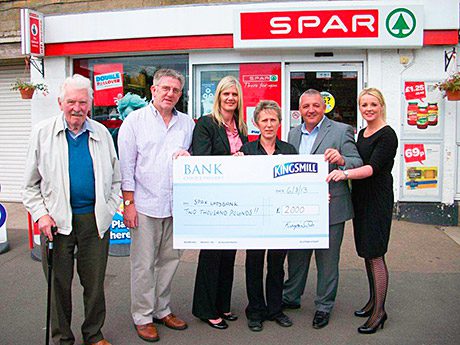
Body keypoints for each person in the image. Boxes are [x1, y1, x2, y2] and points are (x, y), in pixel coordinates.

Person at [22, 74, 121, 345]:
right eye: (71, 101)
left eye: (82, 101)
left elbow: (116, 179)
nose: (76, 107)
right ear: (60, 102)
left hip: (94, 222)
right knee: (58, 286)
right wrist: (41, 214)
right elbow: (29, 186)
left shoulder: (101, 133)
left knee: (94, 285)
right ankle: (62, 338)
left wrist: (109, 209)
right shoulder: (42, 133)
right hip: (56, 223)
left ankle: (93, 333)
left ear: (90, 103)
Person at [118, 69, 194, 342]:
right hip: (145, 204)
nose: (170, 94)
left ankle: (162, 309)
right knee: (143, 264)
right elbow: (126, 167)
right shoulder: (134, 122)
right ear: (153, 90)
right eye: (165, 88)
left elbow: (195, 161)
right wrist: (129, 204)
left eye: (175, 90)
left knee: (170, 262)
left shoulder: (187, 124)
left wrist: (189, 156)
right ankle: (142, 315)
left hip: (176, 206)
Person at [282, 89, 363, 329]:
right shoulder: (292, 133)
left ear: (323, 106)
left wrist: (341, 159)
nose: (311, 110)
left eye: (316, 105)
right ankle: (291, 297)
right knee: (297, 256)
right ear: (299, 110)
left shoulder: (341, 131)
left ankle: (324, 306)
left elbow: (357, 161)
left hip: (332, 207)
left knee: (327, 262)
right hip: (301, 207)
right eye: (306, 106)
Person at [326, 88, 398, 334]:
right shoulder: (363, 133)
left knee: (376, 253)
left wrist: (343, 173)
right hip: (361, 199)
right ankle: (372, 302)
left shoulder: (388, 135)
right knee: (367, 251)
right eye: (364, 105)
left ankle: (379, 312)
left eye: (373, 104)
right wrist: (343, 161)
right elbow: (355, 158)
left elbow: (371, 168)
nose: (368, 109)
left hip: (377, 198)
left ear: (381, 106)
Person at [191, 75, 248, 329]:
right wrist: (232, 159)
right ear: (218, 97)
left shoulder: (242, 127)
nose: (230, 98)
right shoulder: (206, 124)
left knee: (229, 255)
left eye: (234, 95)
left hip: (235, 200)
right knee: (212, 254)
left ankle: (222, 305)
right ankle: (205, 308)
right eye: (226, 94)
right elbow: (203, 160)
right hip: (214, 200)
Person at [238, 100, 297, 332]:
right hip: (254, 217)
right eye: (264, 120)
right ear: (256, 123)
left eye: (273, 120)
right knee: (253, 264)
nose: (269, 124)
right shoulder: (247, 150)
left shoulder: (289, 151)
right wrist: (235, 165)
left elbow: (299, 183)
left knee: (276, 265)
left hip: (279, 218)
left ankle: (274, 309)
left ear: (280, 123)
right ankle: (255, 311)